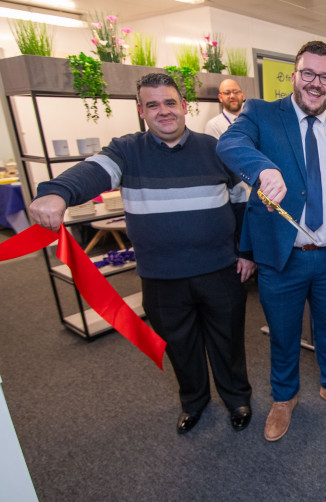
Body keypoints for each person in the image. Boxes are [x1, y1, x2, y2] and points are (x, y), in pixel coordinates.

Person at [28, 73, 254, 435]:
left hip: (219, 271)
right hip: (161, 277)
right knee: (180, 346)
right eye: (152, 105)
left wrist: (246, 252)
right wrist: (57, 192)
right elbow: (92, 172)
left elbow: (244, 204)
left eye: (169, 102)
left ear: (184, 106)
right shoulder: (126, 151)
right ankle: (194, 402)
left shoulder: (216, 150)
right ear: (141, 111)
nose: (163, 111)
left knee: (228, 341)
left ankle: (237, 397)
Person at [217, 41, 326, 442]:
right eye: (308, 74)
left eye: (325, 77)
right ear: (295, 75)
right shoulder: (262, 113)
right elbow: (229, 145)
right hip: (283, 257)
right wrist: (262, 169)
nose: (316, 84)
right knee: (282, 334)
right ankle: (284, 398)